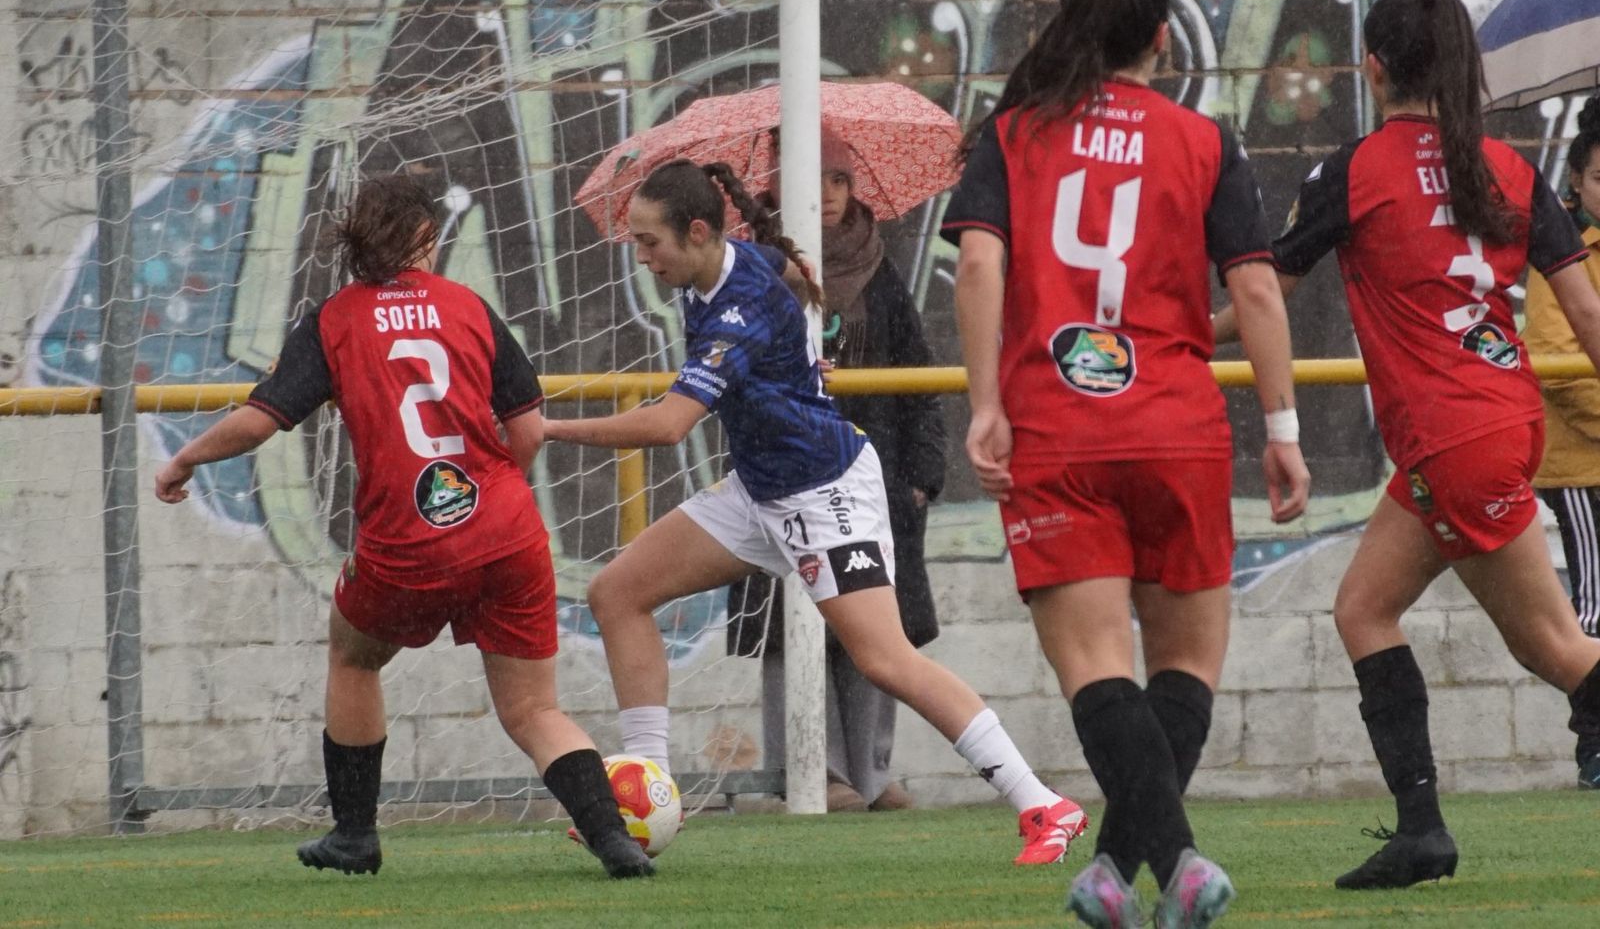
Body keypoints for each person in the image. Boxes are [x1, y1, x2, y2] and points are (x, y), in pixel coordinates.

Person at [543, 157, 1088, 865]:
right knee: (617, 593)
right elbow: (793, 278)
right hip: (760, 488)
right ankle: (648, 789)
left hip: (824, 491)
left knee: (885, 658)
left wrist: (548, 429)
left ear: (700, 231)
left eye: (650, 242)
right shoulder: (720, 268)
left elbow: (669, 424)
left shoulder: (735, 309)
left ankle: (1043, 803)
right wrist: (802, 357)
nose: (642, 256)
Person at [948, 0, 1309, 928]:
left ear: (1070, 27)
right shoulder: (1202, 136)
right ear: (1160, 37)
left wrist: (986, 403)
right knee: (1183, 663)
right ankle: (1131, 873)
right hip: (1177, 427)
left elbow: (977, 268)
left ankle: (1158, 860)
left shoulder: (1013, 133)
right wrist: (1281, 427)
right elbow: (1256, 288)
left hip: (1057, 428)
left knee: (1096, 663)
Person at [153, 174, 652, 879]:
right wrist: (487, 486)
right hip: (507, 532)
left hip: (408, 540)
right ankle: (614, 841)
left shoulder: (335, 320)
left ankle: (355, 835)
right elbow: (529, 431)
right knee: (535, 708)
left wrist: (186, 458)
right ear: (427, 237)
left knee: (354, 657)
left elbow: (260, 420)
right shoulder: (470, 308)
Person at [1214, 0, 1600, 890]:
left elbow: (1262, 298)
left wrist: (1164, 335)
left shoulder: (1356, 170)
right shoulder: (1508, 166)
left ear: (1373, 67)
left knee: (1555, 649)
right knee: (1363, 609)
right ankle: (1420, 829)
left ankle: (1425, 829)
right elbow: (1585, 314)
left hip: (1453, 435)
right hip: (1490, 424)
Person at [726, 134, 945, 813]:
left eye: (837, 180)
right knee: (792, 627)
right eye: (807, 179)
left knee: (872, 625)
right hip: (782, 466)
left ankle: (871, 774)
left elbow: (918, 375)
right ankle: (812, 769)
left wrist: (920, 476)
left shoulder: (879, 271)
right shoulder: (751, 268)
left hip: (868, 475)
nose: (823, 194)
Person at [1522, 92, 1600, 786]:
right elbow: (1557, 363)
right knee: (1597, 602)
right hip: (1581, 467)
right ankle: (1595, 749)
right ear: (1575, 181)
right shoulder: (1564, 254)